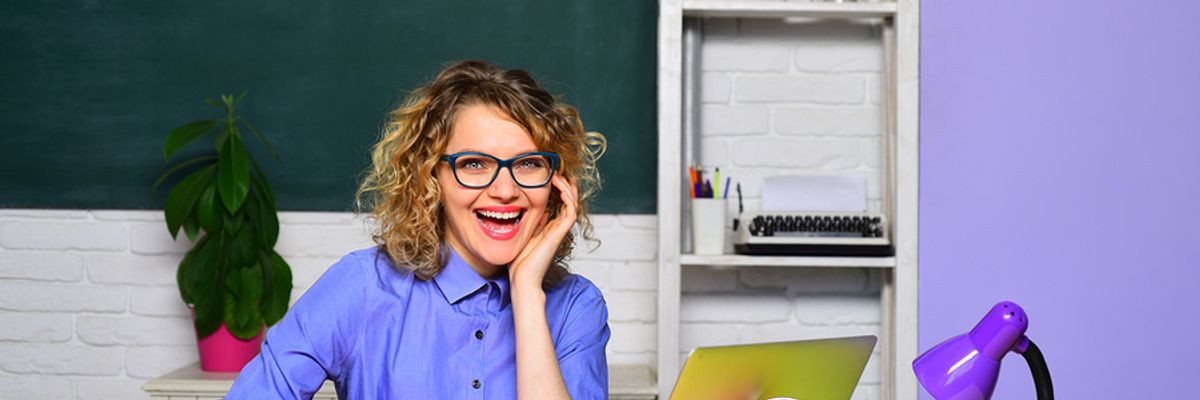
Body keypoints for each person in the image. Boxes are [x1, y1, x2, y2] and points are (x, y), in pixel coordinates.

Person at [227, 60, 610, 399]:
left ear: (557, 182)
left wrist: (526, 291)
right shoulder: (362, 287)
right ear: (431, 176)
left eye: (528, 164)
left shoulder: (577, 307)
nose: (505, 191)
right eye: (474, 164)